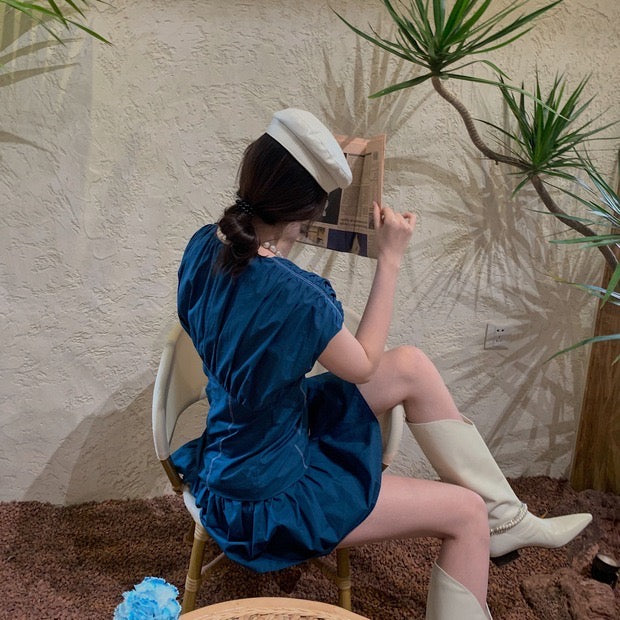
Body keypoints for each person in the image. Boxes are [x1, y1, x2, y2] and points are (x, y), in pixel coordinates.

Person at [172, 109, 592, 619]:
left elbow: (243, 318)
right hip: (265, 499)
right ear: (307, 210)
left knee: (410, 364)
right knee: (466, 512)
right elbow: (364, 366)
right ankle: (487, 520)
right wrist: (390, 258)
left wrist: (281, 246)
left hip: (244, 437)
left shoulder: (204, 244)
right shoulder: (298, 297)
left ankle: (506, 518)